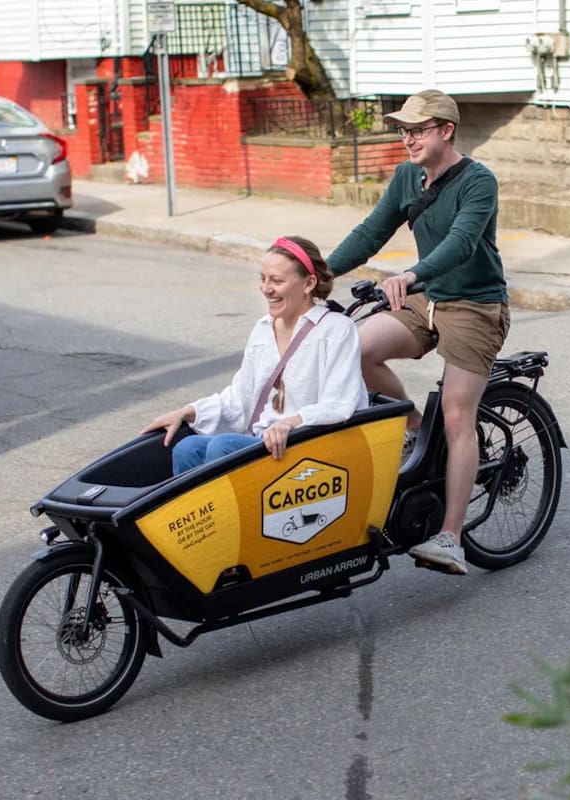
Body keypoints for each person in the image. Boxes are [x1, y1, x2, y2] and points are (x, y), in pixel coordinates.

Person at [326, 89, 509, 576]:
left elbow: (462, 243)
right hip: (425, 299)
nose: (407, 139)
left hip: (474, 304)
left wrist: (410, 274)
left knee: (455, 414)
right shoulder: (408, 176)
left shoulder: (478, 181)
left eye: (417, 130)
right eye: (403, 130)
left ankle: (450, 536)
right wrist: (316, 274)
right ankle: (411, 432)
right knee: (355, 349)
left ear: (445, 131)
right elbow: (371, 232)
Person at [146, 236, 369, 474]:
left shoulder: (336, 329)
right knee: (187, 448)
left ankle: (228, 511)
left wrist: (289, 423)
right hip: (263, 441)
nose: (266, 289)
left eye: (277, 280)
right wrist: (188, 412)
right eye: (263, 279)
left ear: (308, 283)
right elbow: (239, 400)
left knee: (224, 446)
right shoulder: (263, 329)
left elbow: (339, 403)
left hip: (306, 444)